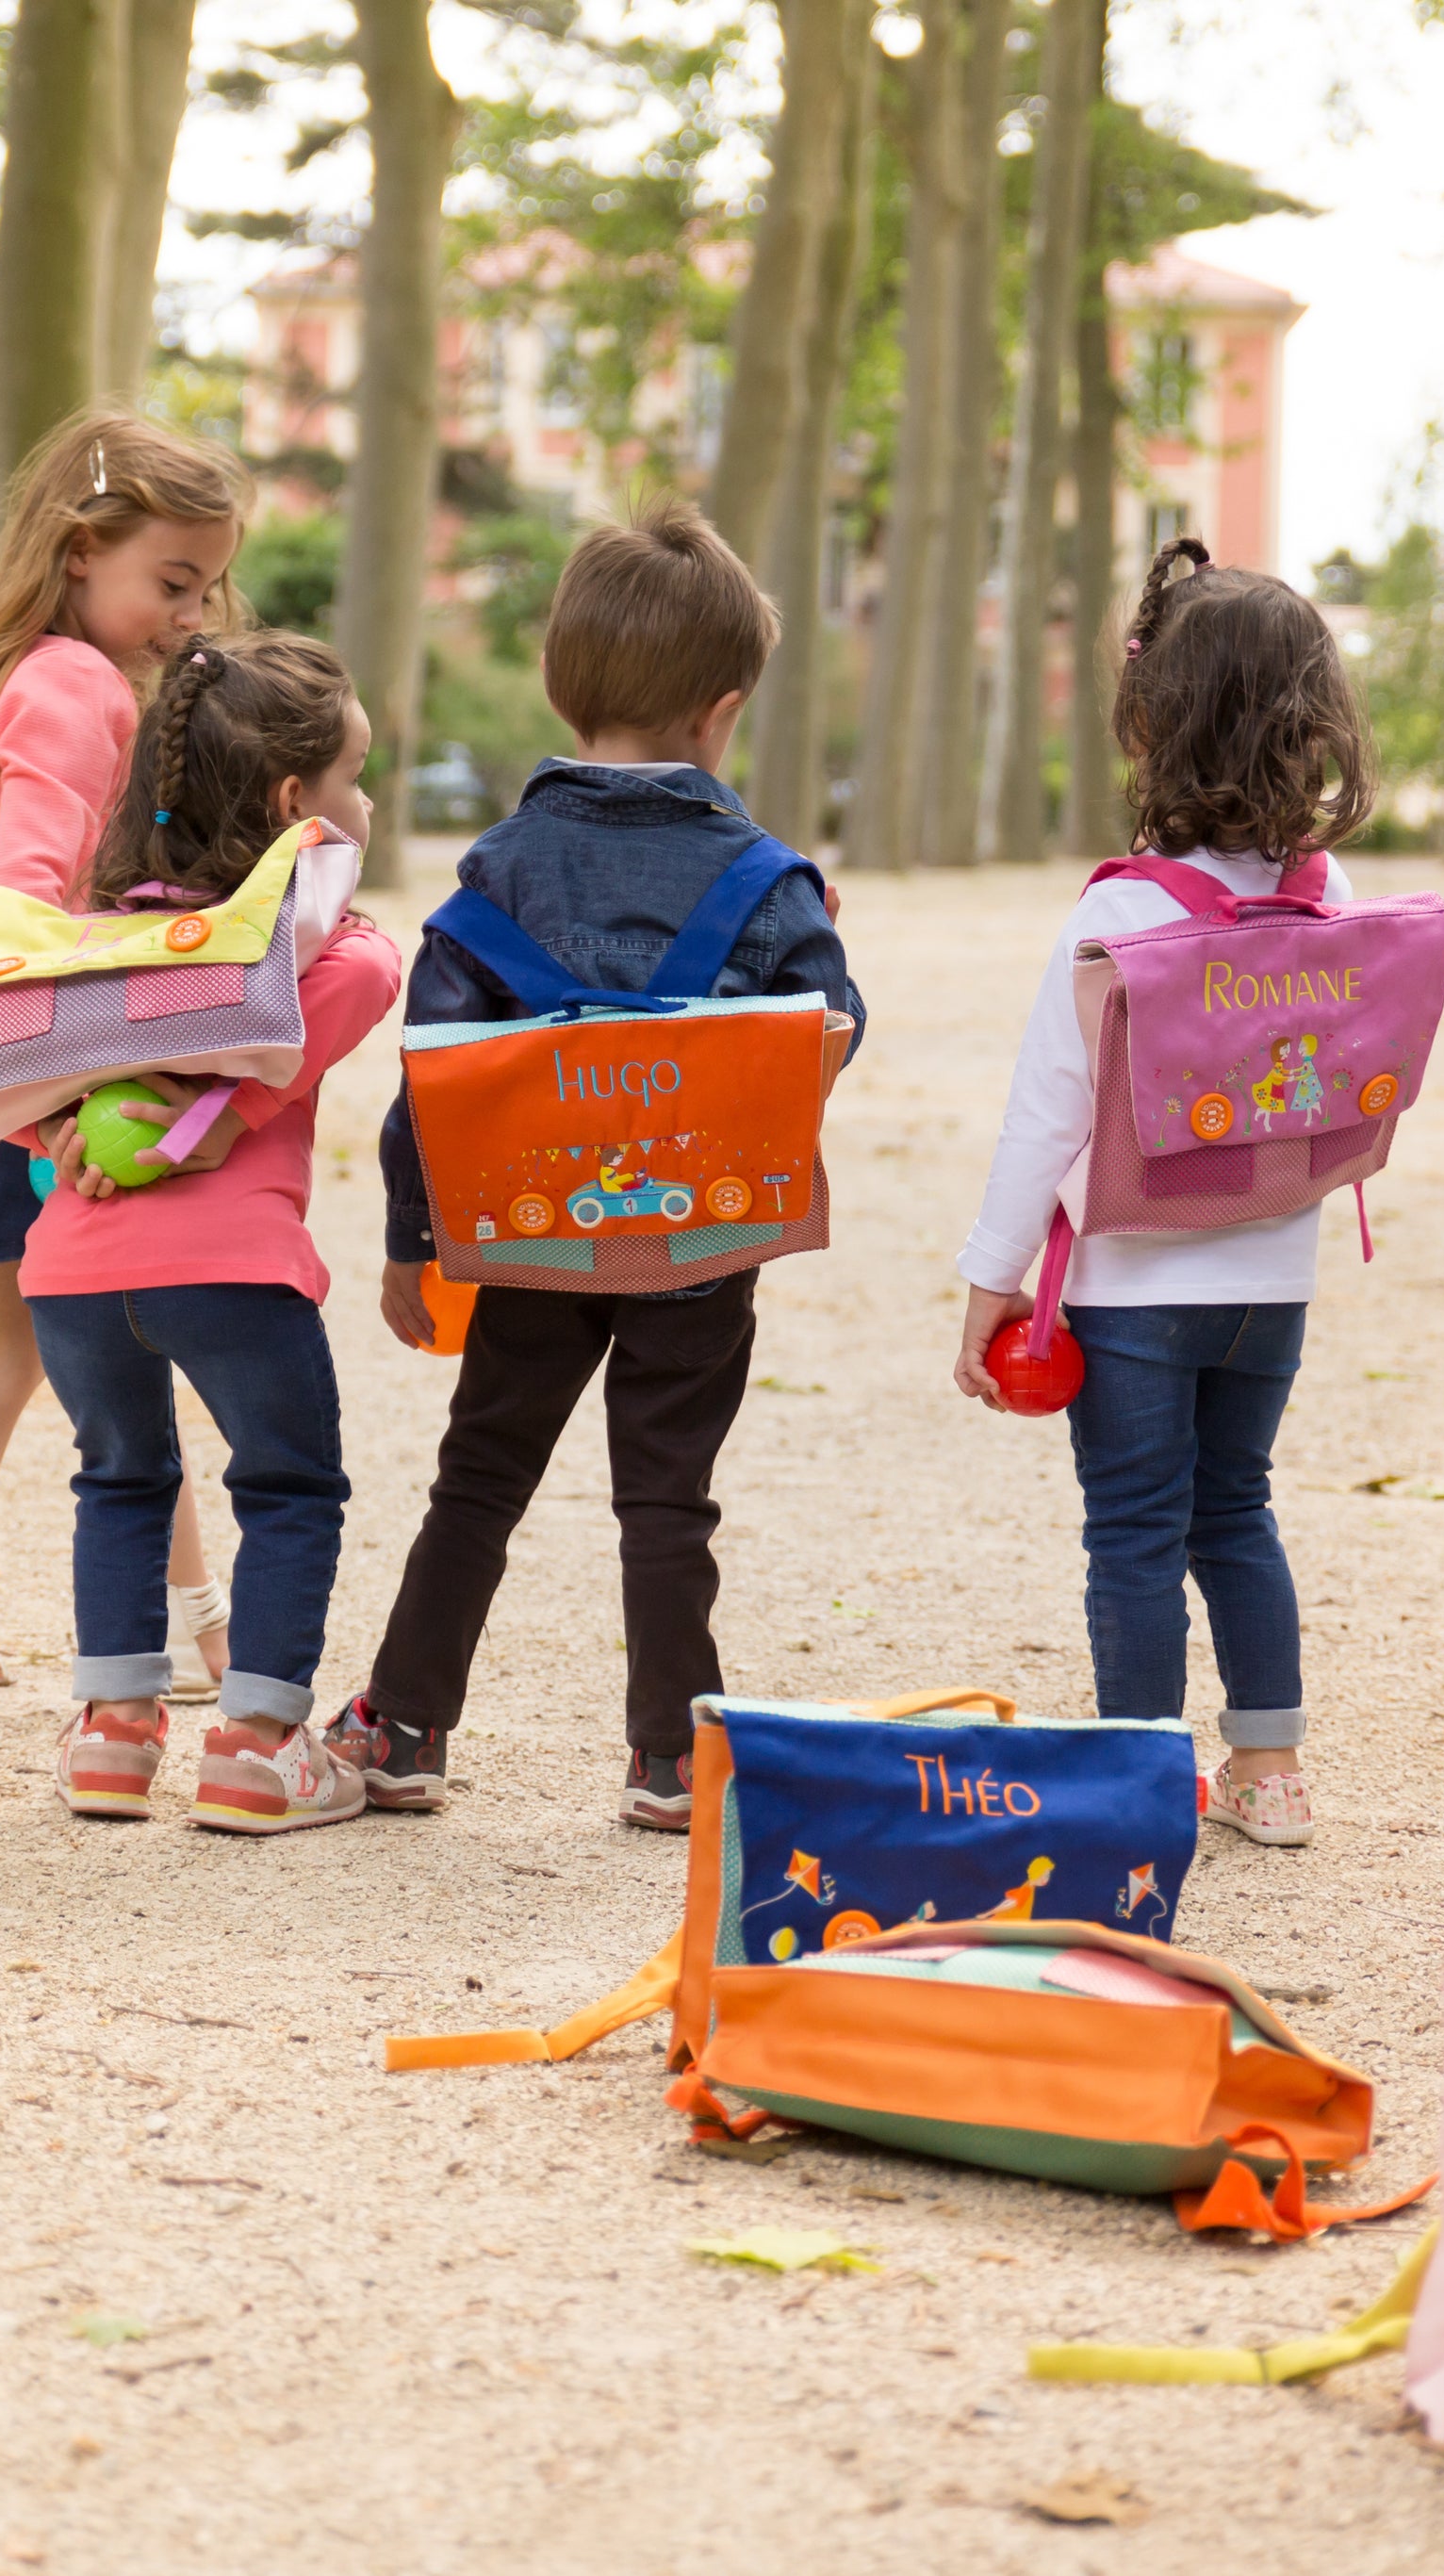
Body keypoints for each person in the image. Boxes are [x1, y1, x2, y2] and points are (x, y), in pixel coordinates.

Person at [333, 502, 866, 1830]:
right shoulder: (768, 880)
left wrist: (415, 1240)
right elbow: (830, 1041)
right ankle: (675, 1757)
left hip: (528, 1238)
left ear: (563, 690)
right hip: (697, 1236)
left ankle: (403, 1723)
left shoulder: (502, 868)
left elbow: (429, 1074)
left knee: (481, 1479)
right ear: (722, 712)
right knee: (668, 1495)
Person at [951, 542, 1371, 1849]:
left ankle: (1142, 1776)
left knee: (1133, 1532)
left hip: (1137, 1284)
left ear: (1149, 724)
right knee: (1235, 1509)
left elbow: (1046, 1117)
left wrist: (988, 1284)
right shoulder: (1328, 892)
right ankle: (1272, 1771)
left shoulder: (1124, 907)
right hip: (1274, 1276)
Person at [0, 410, 247, 1702]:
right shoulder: (80, 687)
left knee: (25, 1354)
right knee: (126, 1340)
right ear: (81, 552)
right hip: (10, 1052)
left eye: (206, 586)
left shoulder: (5, 677)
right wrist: (78, 1074)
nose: (192, 613)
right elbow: (29, 894)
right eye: (172, 582)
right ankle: (203, 1639)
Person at [27, 633, 406, 1831]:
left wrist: (57, 1137)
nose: (368, 799)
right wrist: (232, 1116)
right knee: (291, 1486)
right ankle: (253, 1745)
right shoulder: (301, 953)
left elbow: (3, 1057)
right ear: (298, 806)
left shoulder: (101, 941)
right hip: (231, 1269)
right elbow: (369, 972)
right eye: (353, 776)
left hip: (74, 1274)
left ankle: (113, 1733)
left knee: (120, 1482)